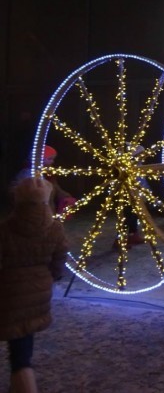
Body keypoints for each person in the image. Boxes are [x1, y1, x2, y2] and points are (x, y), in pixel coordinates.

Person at [0, 177, 68, 393]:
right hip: (40, 291)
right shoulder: (54, 228)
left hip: (9, 292)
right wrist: (50, 277)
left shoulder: (6, 229)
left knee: (18, 349)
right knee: (23, 341)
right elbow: (59, 259)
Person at [11, 146, 75, 216]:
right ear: (40, 159)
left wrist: (64, 194)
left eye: (53, 159)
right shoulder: (28, 172)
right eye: (49, 159)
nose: (52, 161)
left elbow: (55, 186)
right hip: (32, 204)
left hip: (46, 204)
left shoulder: (48, 173)